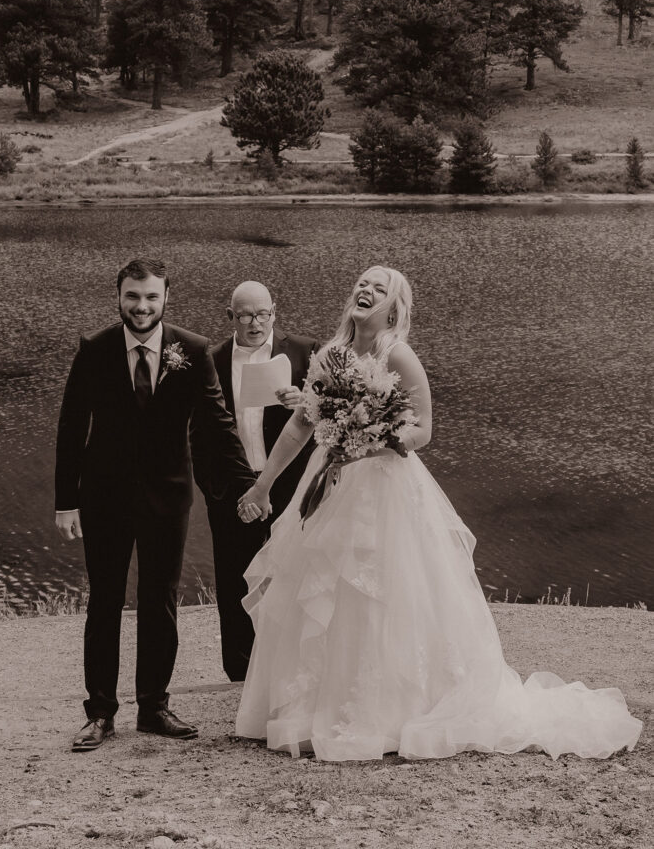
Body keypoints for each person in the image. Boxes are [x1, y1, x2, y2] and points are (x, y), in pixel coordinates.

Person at [234, 266, 643, 761]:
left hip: (382, 488)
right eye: (363, 284)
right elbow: (300, 426)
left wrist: (370, 441)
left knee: (381, 594)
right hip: (331, 483)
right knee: (325, 590)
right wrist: (263, 483)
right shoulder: (331, 355)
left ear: (394, 307)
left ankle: (386, 712)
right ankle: (322, 705)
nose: (366, 291)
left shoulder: (397, 354)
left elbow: (422, 429)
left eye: (379, 289)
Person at [55, 258, 255, 753]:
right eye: (132, 297)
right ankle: (100, 712)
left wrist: (252, 485)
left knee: (160, 600)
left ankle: (153, 707)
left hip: (167, 496)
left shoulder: (192, 349)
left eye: (151, 297)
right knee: (104, 601)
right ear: (118, 296)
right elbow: (70, 428)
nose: (141, 307)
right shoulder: (95, 350)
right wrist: (66, 502)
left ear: (167, 297)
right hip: (103, 497)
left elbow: (218, 423)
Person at [191, 281, 318, 681]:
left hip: (291, 487)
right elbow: (200, 436)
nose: (255, 323)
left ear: (274, 312)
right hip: (232, 488)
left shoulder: (305, 352)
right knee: (234, 583)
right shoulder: (210, 360)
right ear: (230, 317)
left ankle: (293, 671)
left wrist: (306, 403)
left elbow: (329, 422)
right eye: (245, 315)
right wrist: (216, 493)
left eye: (263, 314)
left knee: (295, 577)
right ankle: (241, 676)